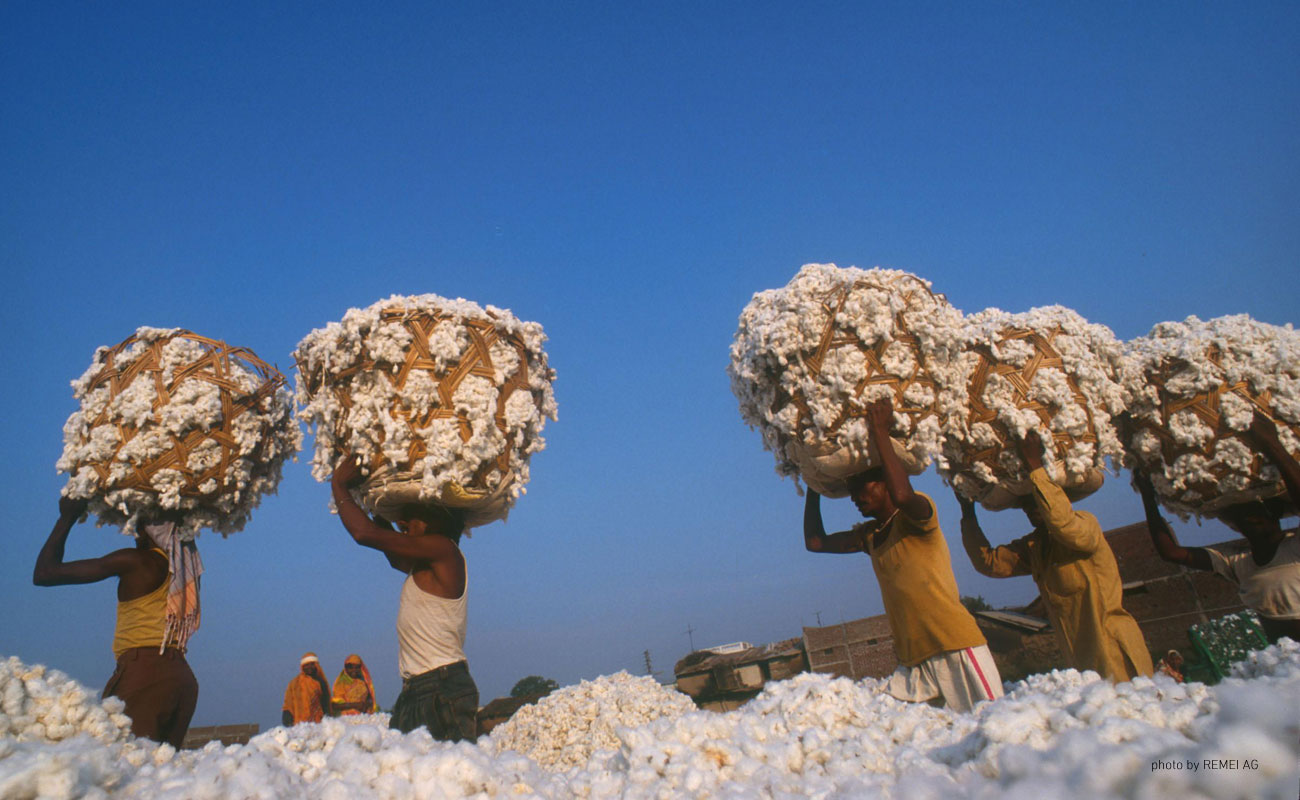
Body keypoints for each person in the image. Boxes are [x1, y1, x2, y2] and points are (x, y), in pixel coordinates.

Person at [802, 397, 1003, 712]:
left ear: (884, 482)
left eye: (863, 487)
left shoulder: (919, 515)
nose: (855, 497)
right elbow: (815, 542)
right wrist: (812, 483)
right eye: (852, 491)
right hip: (912, 659)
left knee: (993, 725)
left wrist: (880, 433)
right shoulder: (871, 536)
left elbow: (903, 495)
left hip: (956, 646)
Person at [959, 430, 1153, 682]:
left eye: (1037, 499)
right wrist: (968, 512)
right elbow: (989, 564)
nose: (1031, 509)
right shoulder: (1037, 547)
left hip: (1114, 651)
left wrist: (1035, 467)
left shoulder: (1085, 526)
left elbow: (1062, 524)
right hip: (1080, 659)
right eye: (1027, 504)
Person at [33, 497, 202, 748]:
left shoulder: (139, 561)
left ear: (152, 530)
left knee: (121, 759)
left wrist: (67, 517)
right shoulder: (183, 571)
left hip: (146, 675)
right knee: (162, 773)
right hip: (181, 680)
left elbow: (45, 573)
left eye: (139, 527)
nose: (135, 535)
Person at [331, 455, 479, 741]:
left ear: (436, 520)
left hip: (440, 688)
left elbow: (364, 534)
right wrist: (377, 514)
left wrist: (338, 486)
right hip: (419, 690)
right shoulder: (425, 566)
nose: (403, 523)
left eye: (411, 516)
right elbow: (393, 554)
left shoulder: (443, 551)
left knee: (448, 780)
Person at [1135, 411, 1300, 643]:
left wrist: (1271, 445)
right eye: (1239, 516)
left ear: (1273, 512)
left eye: (1254, 511)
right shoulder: (1236, 561)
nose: (1247, 518)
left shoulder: (1295, 546)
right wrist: (1148, 499)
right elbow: (1171, 552)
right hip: (1286, 659)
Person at [282, 652, 333, 725]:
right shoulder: (294, 683)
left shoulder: (321, 682)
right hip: (299, 725)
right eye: (306, 665)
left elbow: (325, 703)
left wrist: (328, 720)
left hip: (318, 723)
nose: (309, 667)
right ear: (302, 667)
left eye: (312, 664)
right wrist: (287, 720)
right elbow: (288, 704)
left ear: (316, 665)